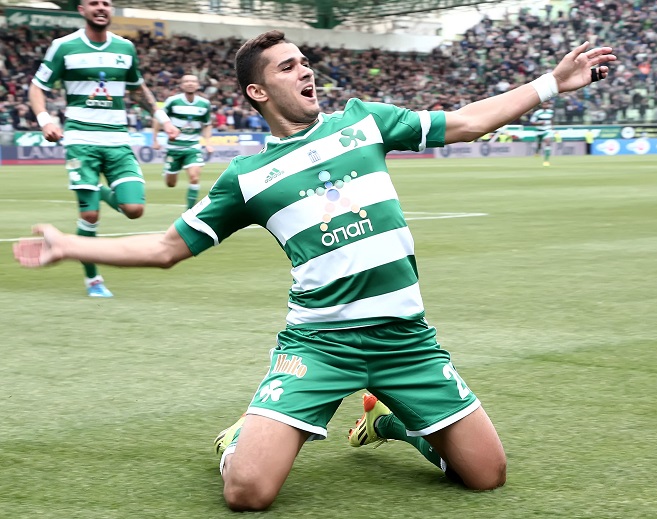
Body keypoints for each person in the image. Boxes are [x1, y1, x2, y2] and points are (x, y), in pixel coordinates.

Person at [14, 30, 615, 512]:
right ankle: (240, 439)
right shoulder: (246, 178)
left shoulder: (363, 121)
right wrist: (70, 245)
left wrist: (551, 84)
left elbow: (467, 122)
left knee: (487, 476)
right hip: (320, 346)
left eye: (305, 62)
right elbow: (167, 247)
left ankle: (391, 423)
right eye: (288, 67)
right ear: (257, 92)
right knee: (247, 493)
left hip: (407, 342)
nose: (306, 72)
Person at [28, 0, 179, 297]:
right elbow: (37, 87)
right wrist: (45, 120)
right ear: (82, 9)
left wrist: (164, 120)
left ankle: (95, 191)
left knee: (134, 209)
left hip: (117, 139)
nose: (101, 7)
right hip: (80, 140)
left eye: (106, 3)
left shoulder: (125, 48)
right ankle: (93, 280)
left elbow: (138, 89)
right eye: (94, 2)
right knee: (90, 216)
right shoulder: (64, 46)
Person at [152, 74, 214, 210]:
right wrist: (155, 139)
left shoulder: (204, 104)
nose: (190, 83)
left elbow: (207, 124)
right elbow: (158, 118)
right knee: (171, 184)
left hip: (193, 146)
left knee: (194, 177)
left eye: (193, 81)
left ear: (198, 85)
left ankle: (189, 212)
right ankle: (168, 170)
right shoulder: (172, 101)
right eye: (186, 81)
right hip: (174, 147)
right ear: (181, 85)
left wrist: (208, 143)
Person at [530, 100, 554, 166]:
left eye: (546, 104)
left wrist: (552, 127)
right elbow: (532, 122)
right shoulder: (537, 113)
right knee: (539, 144)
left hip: (547, 130)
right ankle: (537, 151)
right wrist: (539, 123)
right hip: (539, 131)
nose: (545, 106)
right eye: (544, 104)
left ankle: (546, 161)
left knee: (548, 143)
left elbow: (551, 119)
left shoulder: (551, 112)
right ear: (541, 105)